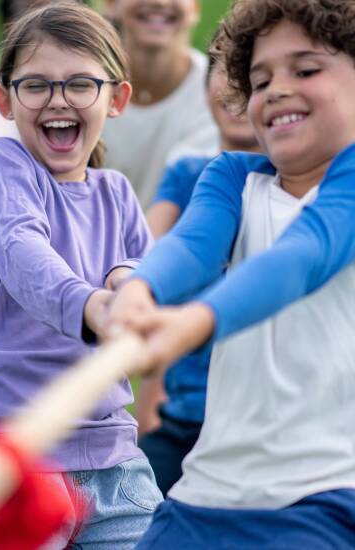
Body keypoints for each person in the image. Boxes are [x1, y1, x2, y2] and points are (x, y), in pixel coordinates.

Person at [109, 0, 355, 547]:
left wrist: (190, 324)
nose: (277, 89)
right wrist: (140, 289)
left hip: (329, 502)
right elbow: (190, 245)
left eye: (305, 70)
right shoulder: (232, 176)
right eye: (260, 81)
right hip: (202, 496)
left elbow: (302, 256)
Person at [0, 4, 162, 547]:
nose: (58, 100)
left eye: (81, 84)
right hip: (3, 452)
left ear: (117, 98)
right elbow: (23, 252)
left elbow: (149, 275)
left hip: (112, 459)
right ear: (4, 100)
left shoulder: (117, 194)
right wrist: (93, 305)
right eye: (36, 85)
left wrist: (128, 281)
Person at [134, 42, 262, 495]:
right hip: (185, 414)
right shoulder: (187, 173)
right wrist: (130, 285)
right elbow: (148, 251)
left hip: (259, 424)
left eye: (249, 74)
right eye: (223, 71)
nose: (234, 87)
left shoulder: (296, 188)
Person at [101, 0, 220, 206]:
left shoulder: (218, 96)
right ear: (111, 4)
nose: (160, 2)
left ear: (195, 8)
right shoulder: (82, 87)